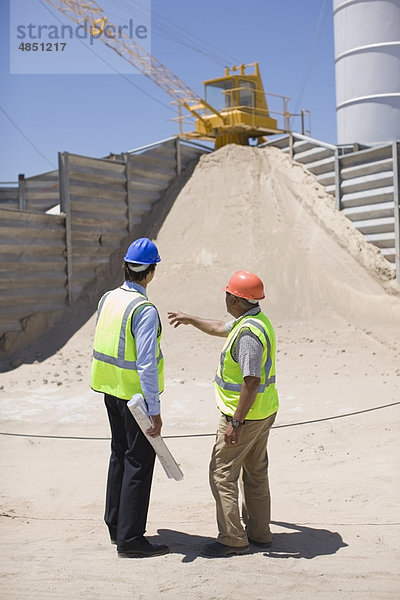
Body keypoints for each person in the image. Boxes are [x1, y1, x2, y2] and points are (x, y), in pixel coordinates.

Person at [168, 270, 279, 558]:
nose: (226, 298)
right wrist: (191, 319)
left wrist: (236, 422)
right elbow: (221, 327)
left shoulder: (247, 336)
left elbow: (250, 380)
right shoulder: (255, 321)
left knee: (222, 474)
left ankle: (232, 538)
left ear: (239, 300)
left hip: (245, 416)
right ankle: (259, 533)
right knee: (255, 472)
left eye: (229, 295)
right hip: (264, 411)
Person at [91, 237, 169, 558]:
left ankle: (115, 526)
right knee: (139, 462)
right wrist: (155, 409)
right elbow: (146, 364)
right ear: (150, 272)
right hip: (135, 398)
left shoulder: (108, 298)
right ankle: (131, 540)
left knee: (119, 454)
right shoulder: (144, 310)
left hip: (109, 391)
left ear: (125, 266)